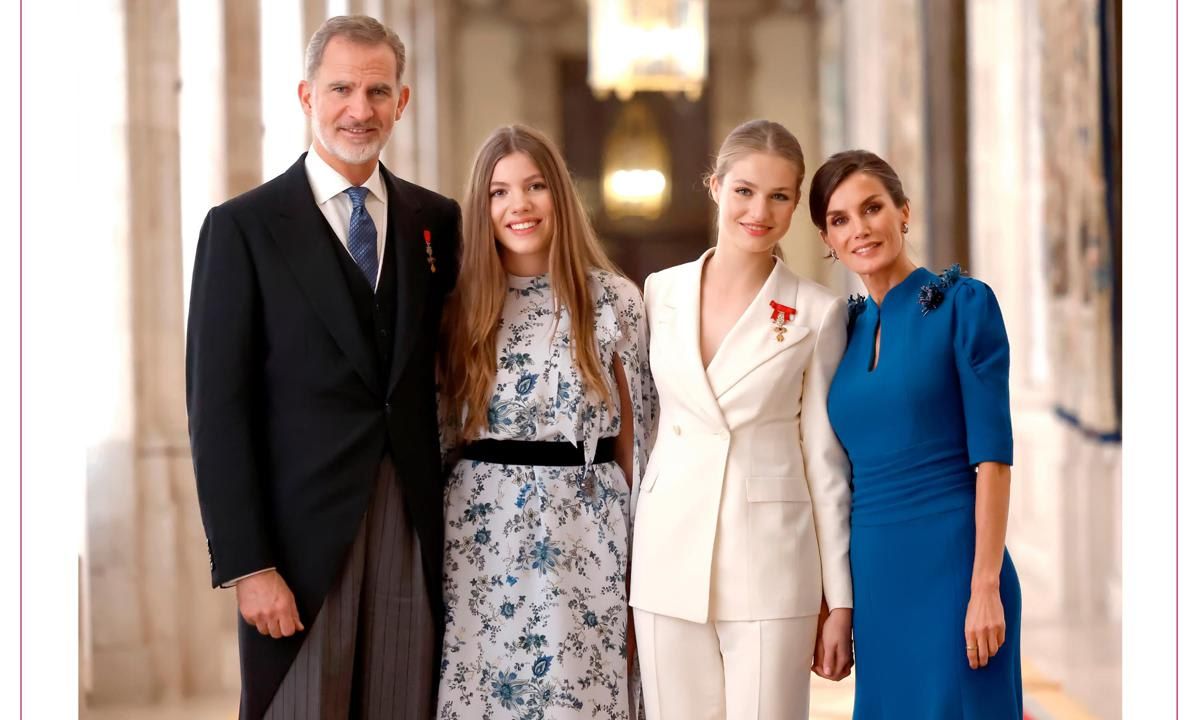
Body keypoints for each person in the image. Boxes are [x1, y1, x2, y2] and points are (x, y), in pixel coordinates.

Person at [186, 15, 461, 719]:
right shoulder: (242, 228)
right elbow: (217, 410)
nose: (358, 109)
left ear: (401, 103)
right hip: (297, 544)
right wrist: (248, 565)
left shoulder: (438, 223)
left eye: (377, 91)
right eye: (341, 88)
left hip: (410, 524)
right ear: (307, 96)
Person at [628, 119, 853, 720]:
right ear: (715, 186)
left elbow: (825, 462)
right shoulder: (659, 293)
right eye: (745, 191)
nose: (760, 210)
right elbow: (644, 429)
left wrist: (842, 598)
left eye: (780, 196)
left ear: (796, 203)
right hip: (666, 552)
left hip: (770, 561)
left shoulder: (817, 311)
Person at [435, 124, 657, 719]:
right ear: (482, 206)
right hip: (479, 540)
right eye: (500, 192)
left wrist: (643, 574)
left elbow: (639, 446)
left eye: (535, 186)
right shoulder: (456, 307)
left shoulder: (614, 300)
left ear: (560, 195)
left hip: (588, 533)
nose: (520, 205)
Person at [810, 149, 1022, 719]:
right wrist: (840, 605)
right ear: (827, 239)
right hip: (878, 580)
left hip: (956, 570)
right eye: (840, 219)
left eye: (872, 207)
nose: (860, 228)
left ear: (904, 211)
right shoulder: (844, 330)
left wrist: (985, 586)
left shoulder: (964, 305)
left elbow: (994, 460)